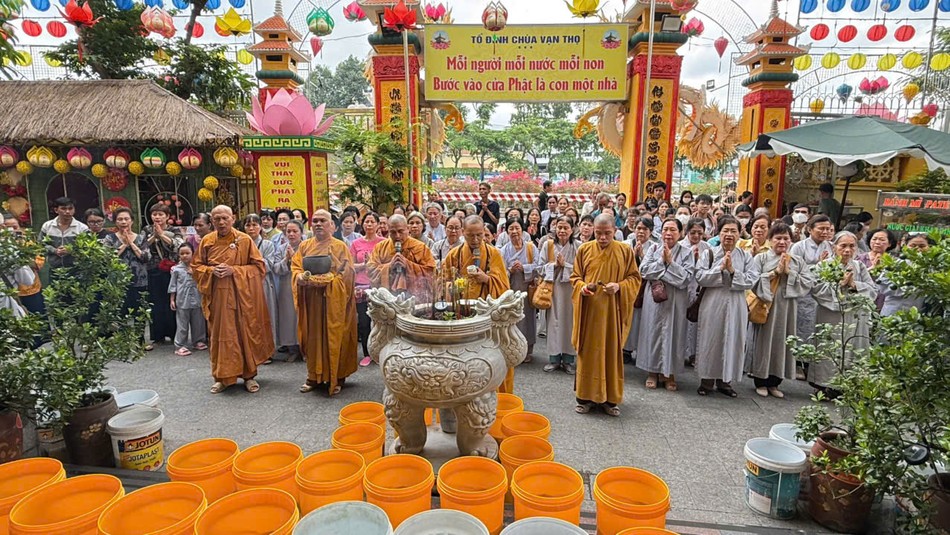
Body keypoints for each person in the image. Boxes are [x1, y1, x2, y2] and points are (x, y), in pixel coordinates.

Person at [193, 205, 275, 394]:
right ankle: (222, 377)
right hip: (218, 298)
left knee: (243, 333)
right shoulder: (207, 241)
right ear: (212, 221)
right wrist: (211, 271)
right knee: (221, 336)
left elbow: (259, 268)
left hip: (242, 298)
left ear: (233, 218)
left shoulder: (244, 240)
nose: (221, 222)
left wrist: (234, 271)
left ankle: (249, 376)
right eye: (217, 219)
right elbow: (196, 267)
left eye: (225, 218)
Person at [570, 214, 642, 416]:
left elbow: (635, 279)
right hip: (590, 312)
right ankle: (584, 397)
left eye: (607, 233)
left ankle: (610, 400)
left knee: (610, 352)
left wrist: (619, 286)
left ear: (615, 231)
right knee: (589, 352)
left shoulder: (624, 251)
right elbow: (575, 277)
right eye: (599, 233)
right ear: (593, 230)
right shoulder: (584, 249)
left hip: (613, 312)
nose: (602, 238)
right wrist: (583, 288)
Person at [292, 210, 358, 396]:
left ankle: (337, 377)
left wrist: (329, 280)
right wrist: (299, 278)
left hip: (333, 301)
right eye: (315, 221)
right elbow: (296, 266)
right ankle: (313, 376)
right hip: (312, 301)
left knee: (336, 336)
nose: (318, 224)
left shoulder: (340, 247)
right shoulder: (304, 246)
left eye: (323, 221)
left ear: (332, 225)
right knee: (313, 337)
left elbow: (347, 274)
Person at [442, 216, 512, 390]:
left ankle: (496, 393)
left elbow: (504, 287)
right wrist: (454, 286)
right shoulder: (454, 254)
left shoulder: (493, 253)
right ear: (462, 233)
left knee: (491, 357)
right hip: (462, 315)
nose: (475, 240)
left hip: (486, 315)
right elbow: (443, 282)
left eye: (479, 235)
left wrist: (487, 278)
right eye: (470, 236)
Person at [749, 223, 815, 398]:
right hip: (767, 307)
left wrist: (789, 273)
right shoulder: (761, 259)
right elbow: (752, 280)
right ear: (770, 240)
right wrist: (774, 273)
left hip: (788, 309)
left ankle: (775, 382)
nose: (782, 242)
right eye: (778, 238)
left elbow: (808, 282)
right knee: (765, 342)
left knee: (782, 342)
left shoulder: (797, 261)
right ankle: (760, 380)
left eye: (786, 238)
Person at [695, 216, 758, 398]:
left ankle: (726, 381)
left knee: (733, 339)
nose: (729, 235)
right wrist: (720, 269)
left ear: (740, 234)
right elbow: (700, 276)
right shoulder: (709, 253)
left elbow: (751, 280)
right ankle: (706, 381)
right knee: (711, 338)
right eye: (725, 231)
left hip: (736, 303)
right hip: (713, 302)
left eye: (733, 231)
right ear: (718, 233)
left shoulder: (746, 256)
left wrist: (732, 271)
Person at [808, 231, 877, 397]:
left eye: (851, 246)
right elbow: (816, 289)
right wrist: (838, 286)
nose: (847, 250)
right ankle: (823, 385)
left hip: (853, 316)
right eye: (843, 246)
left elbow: (873, 290)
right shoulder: (823, 266)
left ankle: (847, 385)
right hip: (830, 316)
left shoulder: (859, 267)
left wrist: (854, 285)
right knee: (829, 348)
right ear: (834, 247)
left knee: (852, 348)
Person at [637, 218, 692, 391]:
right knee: (652, 332)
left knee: (674, 334)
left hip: (676, 300)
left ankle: (669, 373)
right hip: (654, 298)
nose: (668, 233)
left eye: (673, 230)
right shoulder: (653, 248)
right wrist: (662, 262)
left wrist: (670, 264)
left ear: (681, 233)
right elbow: (644, 271)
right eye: (665, 229)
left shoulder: (687, 252)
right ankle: (652, 372)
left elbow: (685, 278)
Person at [789, 215, 835, 377]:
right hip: (803, 294)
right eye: (821, 228)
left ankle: (811, 364)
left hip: (821, 295)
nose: (825, 232)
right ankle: (797, 363)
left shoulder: (830, 247)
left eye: (828, 229)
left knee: (816, 328)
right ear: (809, 229)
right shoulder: (799, 247)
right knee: (800, 327)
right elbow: (794, 270)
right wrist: (818, 265)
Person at [540, 216, 579, 374]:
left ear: (572, 229)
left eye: (566, 228)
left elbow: (582, 269)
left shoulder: (578, 246)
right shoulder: (548, 245)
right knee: (554, 323)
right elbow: (540, 267)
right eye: (559, 227)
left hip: (571, 289)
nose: (562, 231)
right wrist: (555, 265)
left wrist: (566, 266)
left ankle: (569, 360)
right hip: (553, 289)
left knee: (570, 323)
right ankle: (554, 359)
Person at [142, 203, 183, 349]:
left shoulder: (174, 229)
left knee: (171, 302)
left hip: (170, 270)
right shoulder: (146, 229)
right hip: (153, 269)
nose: (157, 217)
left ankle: (173, 333)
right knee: (155, 303)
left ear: (167, 216)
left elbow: (178, 245)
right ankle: (157, 335)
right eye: (154, 214)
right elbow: (143, 247)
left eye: (160, 214)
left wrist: (162, 235)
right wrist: (155, 235)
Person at [102, 207, 151, 325]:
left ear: (131, 221)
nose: (123, 222)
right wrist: (124, 244)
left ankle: (140, 341)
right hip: (118, 283)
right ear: (115, 222)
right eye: (120, 219)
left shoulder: (140, 237)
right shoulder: (110, 238)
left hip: (139, 281)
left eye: (126, 219)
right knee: (121, 314)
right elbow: (107, 258)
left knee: (140, 313)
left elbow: (146, 257)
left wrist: (132, 244)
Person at [367, 214, 436, 296]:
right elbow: (371, 270)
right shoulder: (380, 247)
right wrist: (389, 267)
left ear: (407, 229)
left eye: (400, 231)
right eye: (393, 232)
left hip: (414, 297)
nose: (397, 236)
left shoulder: (420, 247)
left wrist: (408, 265)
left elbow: (431, 272)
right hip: (388, 297)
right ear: (388, 231)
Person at [500, 218, 538, 363]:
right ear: (507, 232)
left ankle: (528, 349)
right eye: (511, 229)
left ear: (522, 230)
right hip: (511, 289)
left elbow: (538, 266)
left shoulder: (530, 248)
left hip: (527, 288)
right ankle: (513, 350)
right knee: (512, 321)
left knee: (527, 319)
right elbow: (500, 272)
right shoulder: (503, 250)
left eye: (517, 228)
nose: (514, 232)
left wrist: (524, 268)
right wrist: (510, 270)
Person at [350, 212, 385, 366]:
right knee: (363, 322)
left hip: (378, 285)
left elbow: (387, 263)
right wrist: (365, 265)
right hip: (360, 285)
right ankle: (366, 353)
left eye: (372, 222)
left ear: (378, 225)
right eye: (367, 222)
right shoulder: (356, 243)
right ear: (362, 224)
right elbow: (350, 265)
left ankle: (380, 352)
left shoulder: (384, 243)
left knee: (379, 321)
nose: (369, 224)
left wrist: (373, 264)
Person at [244, 214, 280, 353]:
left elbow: (269, 265)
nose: (251, 228)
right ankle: (250, 350)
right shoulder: (240, 244)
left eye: (254, 225)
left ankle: (267, 350)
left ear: (260, 227)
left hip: (263, 284)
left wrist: (251, 263)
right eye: (248, 225)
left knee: (266, 316)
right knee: (248, 317)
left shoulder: (267, 244)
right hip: (245, 284)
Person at [622, 216, 654, 363]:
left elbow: (654, 267)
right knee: (628, 317)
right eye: (638, 228)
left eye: (645, 229)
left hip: (645, 288)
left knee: (642, 318)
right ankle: (625, 349)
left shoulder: (654, 247)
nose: (641, 232)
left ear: (651, 231)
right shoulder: (625, 244)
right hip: (628, 286)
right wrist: (633, 256)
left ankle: (641, 350)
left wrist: (642, 256)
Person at [272, 219, 305, 360]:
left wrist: (295, 259)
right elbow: (276, 268)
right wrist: (286, 259)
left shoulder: (307, 246)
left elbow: (309, 266)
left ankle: (305, 348)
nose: (291, 234)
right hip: (286, 286)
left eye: (295, 231)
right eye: (288, 232)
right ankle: (292, 348)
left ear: (301, 232)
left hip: (303, 285)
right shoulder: (281, 248)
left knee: (303, 317)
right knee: (288, 317)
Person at [682, 218, 711, 368]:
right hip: (683, 289)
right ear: (687, 232)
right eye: (693, 232)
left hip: (699, 290)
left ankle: (694, 354)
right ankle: (680, 353)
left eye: (700, 233)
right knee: (682, 322)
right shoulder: (680, 246)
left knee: (696, 322)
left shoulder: (707, 248)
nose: (696, 236)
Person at [878, 234, 932, 317]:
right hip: (894, 313)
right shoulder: (895, 264)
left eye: (922, 246)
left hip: (920, 316)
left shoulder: (933, 267)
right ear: (905, 247)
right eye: (913, 245)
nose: (917, 249)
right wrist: (908, 287)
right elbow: (882, 285)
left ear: (929, 247)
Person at [169, 242, 207, 356]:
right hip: (182, 300)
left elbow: (204, 281)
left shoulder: (198, 268)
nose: (185, 256)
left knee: (198, 322)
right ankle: (180, 345)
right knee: (182, 323)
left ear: (193, 253)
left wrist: (195, 273)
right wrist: (172, 299)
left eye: (187, 253)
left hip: (197, 298)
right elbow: (173, 285)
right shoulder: (176, 269)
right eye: (182, 254)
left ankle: (198, 340)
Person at [39, 197, 89, 275]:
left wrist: (71, 250)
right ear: (56, 210)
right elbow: (40, 244)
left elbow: (87, 247)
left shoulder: (82, 228)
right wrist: (54, 250)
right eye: (63, 209)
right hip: (54, 269)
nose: (68, 212)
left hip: (76, 269)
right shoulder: (47, 226)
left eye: (70, 208)